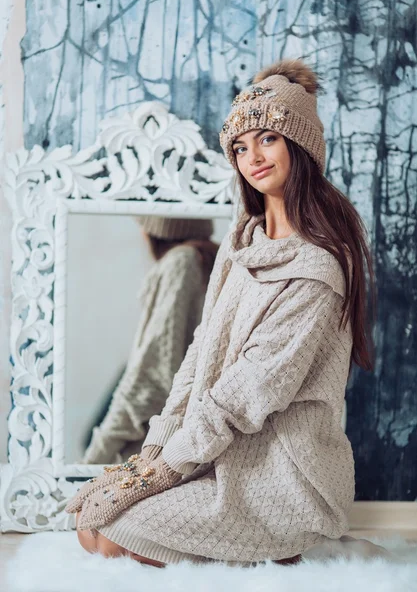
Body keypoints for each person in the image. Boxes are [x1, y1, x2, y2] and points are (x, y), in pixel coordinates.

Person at [66, 57, 389, 567]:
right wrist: (153, 453)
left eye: (268, 139)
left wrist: (164, 472)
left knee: (108, 535)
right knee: (89, 527)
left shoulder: (317, 267)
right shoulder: (241, 243)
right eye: (240, 146)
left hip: (281, 478)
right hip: (217, 452)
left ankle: (295, 545)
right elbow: (198, 354)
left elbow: (248, 391)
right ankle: (251, 549)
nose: (252, 157)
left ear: (299, 145)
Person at [81, 215, 219, 465]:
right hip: (187, 413)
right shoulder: (211, 258)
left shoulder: (181, 261)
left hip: (165, 414)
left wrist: (88, 463)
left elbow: (154, 374)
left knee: (92, 442)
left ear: (154, 230)